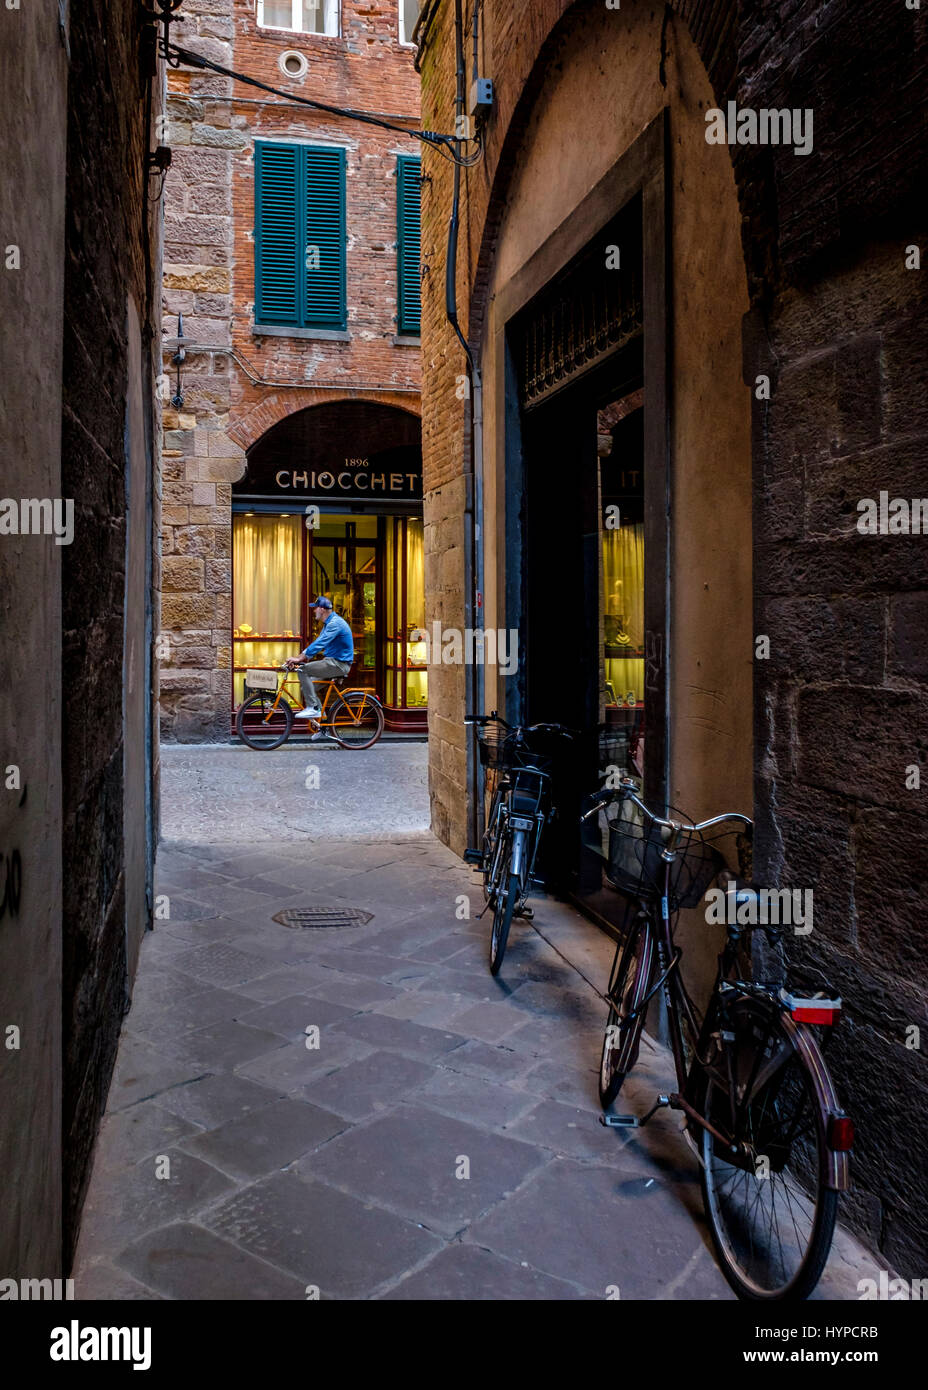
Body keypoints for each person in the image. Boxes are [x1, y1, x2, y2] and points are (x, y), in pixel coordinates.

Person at [285, 596, 354, 722]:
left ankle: (313, 707)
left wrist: (300, 659)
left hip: (338, 664)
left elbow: (320, 643)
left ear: (322, 609)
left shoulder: (335, 624)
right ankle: (321, 724)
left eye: (315, 608)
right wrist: (302, 657)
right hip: (333, 662)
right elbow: (318, 643)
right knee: (307, 687)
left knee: (302, 670)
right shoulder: (329, 623)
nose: (314, 611)